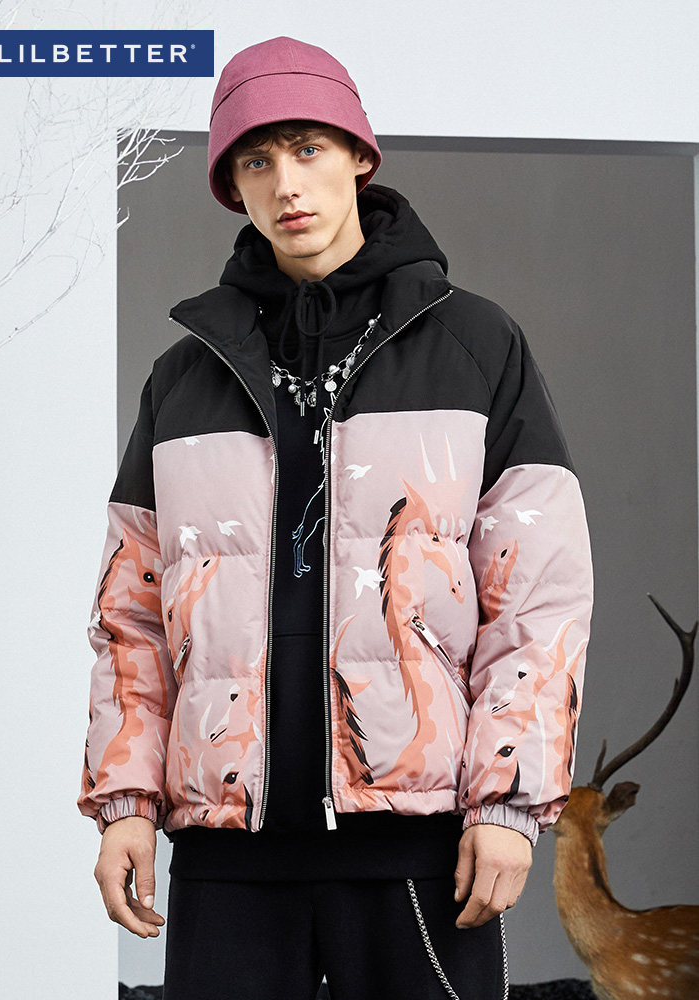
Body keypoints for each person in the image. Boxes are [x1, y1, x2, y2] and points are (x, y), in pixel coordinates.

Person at [78, 35, 594, 1000]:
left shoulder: (476, 345)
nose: (286, 184)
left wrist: (509, 800)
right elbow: (131, 617)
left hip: (417, 848)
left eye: (308, 149)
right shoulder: (184, 378)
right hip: (227, 855)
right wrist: (126, 802)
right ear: (232, 185)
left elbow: (539, 596)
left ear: (360, 155)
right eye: (256, 161)